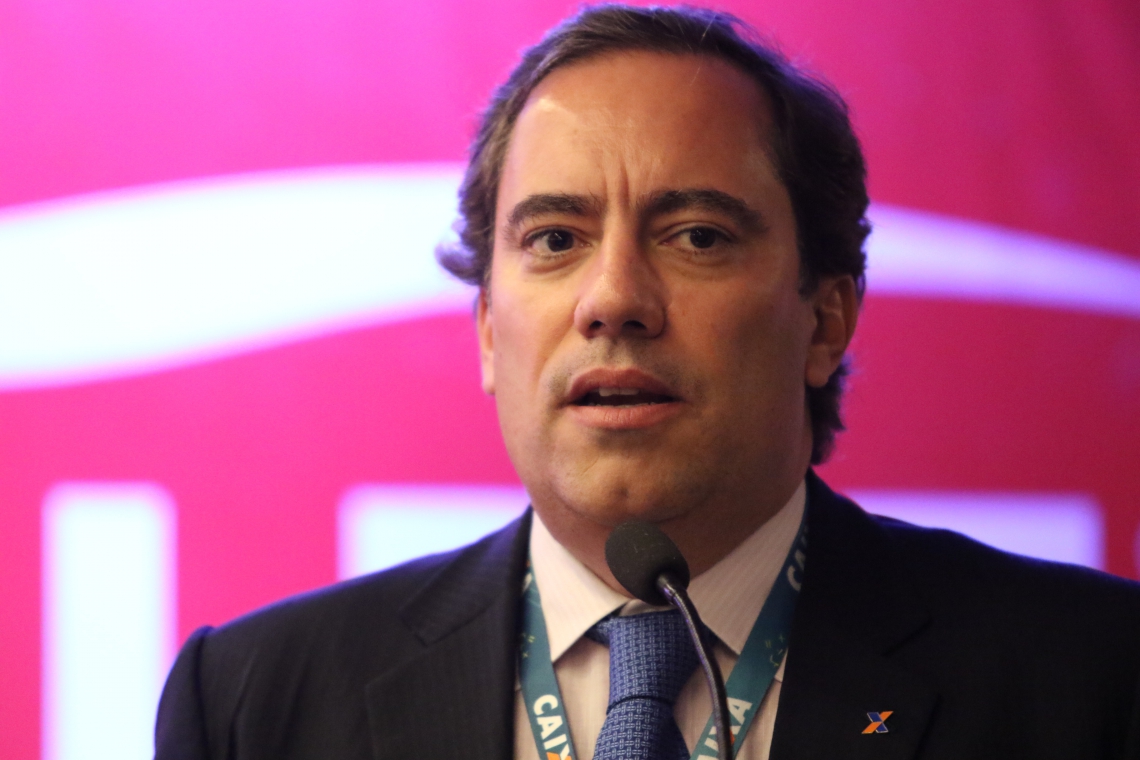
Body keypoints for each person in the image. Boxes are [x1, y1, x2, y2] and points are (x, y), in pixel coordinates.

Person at [154, 5, 1140, 759]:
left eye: (697, 236)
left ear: (826, 319)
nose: (614, 299)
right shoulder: (255, 703)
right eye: (555, 239)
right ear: (488, 329)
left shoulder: (1090, 681)